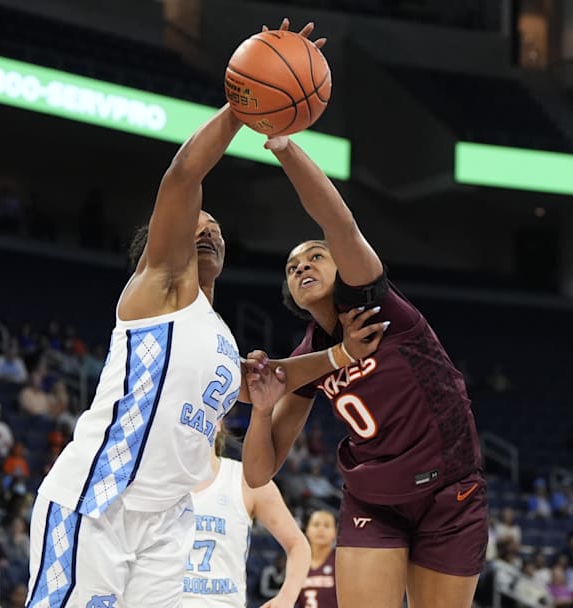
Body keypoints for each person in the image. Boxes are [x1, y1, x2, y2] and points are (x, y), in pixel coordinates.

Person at [28, 30, 380, 607]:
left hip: (167, 521)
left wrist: (339, 355)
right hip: (99, 500)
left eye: (217, 227)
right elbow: (182, 178)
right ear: (168, 242)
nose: (211, 229)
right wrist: (245, 105)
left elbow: (262, 382)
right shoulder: (158, 288)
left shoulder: (215, 336)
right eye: (199, 224)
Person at [242, 112, 487, 607]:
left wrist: (286, 148)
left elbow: (336, 221)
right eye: (292, 267)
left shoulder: (376, 301)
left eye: (314, 257)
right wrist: (263, 408)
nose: (302, 266)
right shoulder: (309, 358)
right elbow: (258, 474)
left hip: (449, 493)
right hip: (374, 501)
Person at [182, 431, 310, 607]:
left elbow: (298, 545)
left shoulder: (245, 480)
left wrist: (286, 598)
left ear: (219, 421)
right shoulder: (155, 480)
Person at [294, 510, 337, 608]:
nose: (321, 529)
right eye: (316, 525)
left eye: (327, 526)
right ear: (307, 530)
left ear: (335, 532)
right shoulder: (297, 564)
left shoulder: (340, 562)